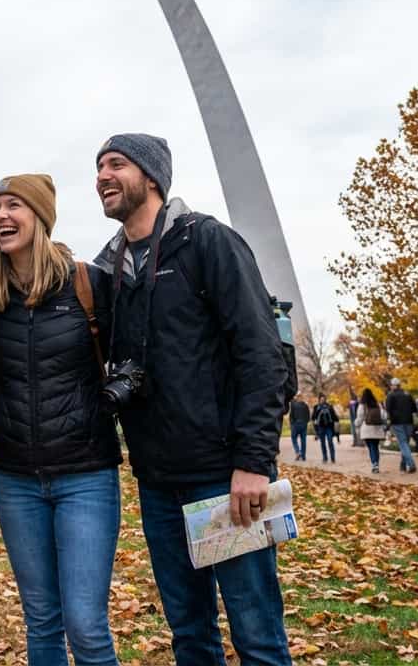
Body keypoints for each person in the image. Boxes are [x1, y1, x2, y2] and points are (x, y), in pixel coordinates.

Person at [93, 135, 291, 666]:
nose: (103, 176)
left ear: (152, 178)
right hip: (157, 483)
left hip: (223, 479)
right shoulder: (106, 270)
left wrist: (252, 461)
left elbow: (261, 354)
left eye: (116, 165)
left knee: (256, 634)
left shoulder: (207, 242)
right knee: (190, 634)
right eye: (99, 168)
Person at [0, 174, 121, 666]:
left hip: (85, 477)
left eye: (13, 204)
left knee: (85, 625)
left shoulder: (88, 283)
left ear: (40, 218)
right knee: (41, 620)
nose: (0, 215)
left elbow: (137, 354)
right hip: (15, 478)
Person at [384, 379, 418, 474]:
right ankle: (402, 466)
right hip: (409, 422)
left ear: (394, 386)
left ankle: (411, 464)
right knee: (405, 444)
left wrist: (389, 421)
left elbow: (388, 409)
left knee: (403, 444)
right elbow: (414, 409)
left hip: (397, 422)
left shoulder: (390, 395)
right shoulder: (408, 394)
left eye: (391, 385)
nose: (390, 387)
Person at [354, 388, 387, 474]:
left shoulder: (362, 405)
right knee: (375, 447)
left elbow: (359, 418)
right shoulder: (377, 404)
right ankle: (376, 464)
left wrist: (356, 424)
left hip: (367, 429)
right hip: (377, 428)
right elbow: (384, 416)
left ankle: (374, 464)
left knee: (371, 447)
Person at [311, 395, 338, 464]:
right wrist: (315, 428)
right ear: (319, 400)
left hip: (329, 427)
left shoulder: (329, 406)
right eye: (321, 399)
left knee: (330, 442)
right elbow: (313, 417)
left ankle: (333, 457)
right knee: (322, 443)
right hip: (321, 427)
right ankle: (325, 457)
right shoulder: (316, 407)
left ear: (325, 399)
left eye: (323, 399)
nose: (322, 400)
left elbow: (334, 416)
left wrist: (336, 423)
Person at [287, 393, 310, 462]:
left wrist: (291, 423)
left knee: (294, 438)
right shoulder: (305, 406)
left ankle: (298, 452)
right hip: (303, 424)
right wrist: (305, 422)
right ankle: (303, 456)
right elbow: (308, 416)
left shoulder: (294, 405)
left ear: (298, 398)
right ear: (302, 398)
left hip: (295, 424)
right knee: (303, 441)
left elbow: (291, 415)